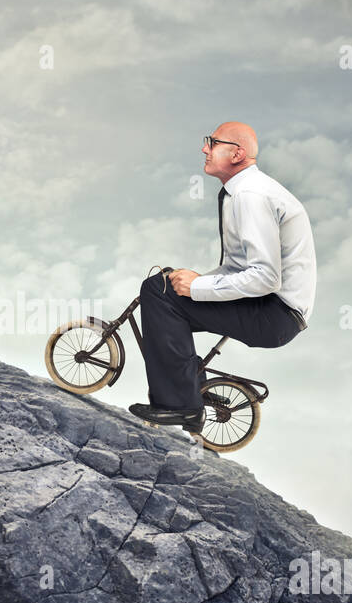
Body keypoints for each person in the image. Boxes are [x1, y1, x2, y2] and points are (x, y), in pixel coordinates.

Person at [129, 121, 317, 433]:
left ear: (237, 153)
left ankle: (180, 406)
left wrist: (199, 286)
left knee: (158, 292)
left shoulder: (250, 196)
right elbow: (241, 267)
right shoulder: (240, 192)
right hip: (270, 307)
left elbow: (265, 277)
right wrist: (196, 283)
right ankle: (191, 386)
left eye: (213, 142)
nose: (205, 148)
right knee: (170, 288)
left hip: (273, 312)